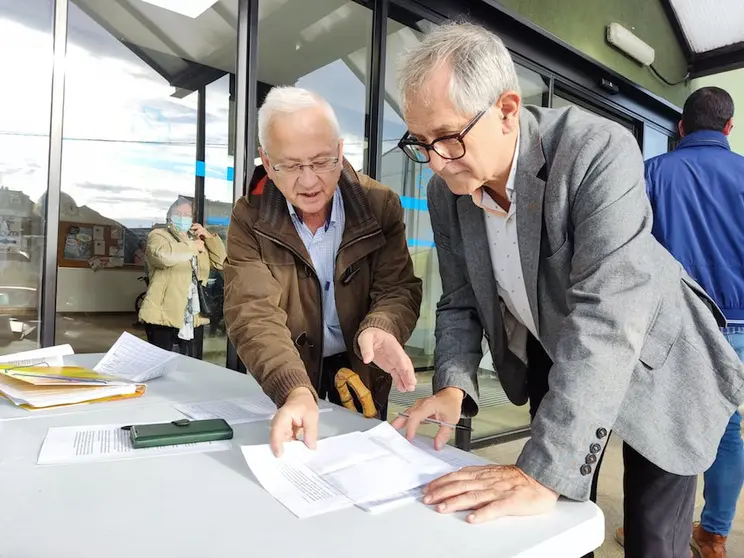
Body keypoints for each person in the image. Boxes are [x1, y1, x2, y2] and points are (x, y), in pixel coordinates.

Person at [389, 21, 744, 558]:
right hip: (560, 355)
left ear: (507, 110)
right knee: (556, 523)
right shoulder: (449, 192)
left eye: (449, 137)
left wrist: (542, 472)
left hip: (659, 361)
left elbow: (607, 316)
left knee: (651, 540)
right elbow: (460, 297)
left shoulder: (595, 149)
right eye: (422, 141)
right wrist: (454, 384)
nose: (436, 161)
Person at [223, 86, 423, 457]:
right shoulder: (249, 217)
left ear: (340, 151)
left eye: (321, 162)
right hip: (289, 364)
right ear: (267, 163)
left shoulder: (380, 205)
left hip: (362, 367)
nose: (310, 181)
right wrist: (293, 388)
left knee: (361, 464)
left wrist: (383, 325)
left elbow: (398, 288)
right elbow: (252, 312)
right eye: (292, 166)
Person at [632, 86, 743, 558]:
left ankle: (661, 535)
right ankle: (713, 534)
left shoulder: (653, 172)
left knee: (665, 430)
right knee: (728, 431)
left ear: (681, 127)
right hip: (740, 327)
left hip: (674, 328)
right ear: (729, 128)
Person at [139, 196, 226, 356]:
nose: (182, 217)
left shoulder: (198, 240)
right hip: (163, 314)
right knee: (160, 362)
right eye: (178, 213)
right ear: (169, 215)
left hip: (193, 315)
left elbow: (221, 262)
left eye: (187, 214)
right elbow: (162, 256)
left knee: (188, 366)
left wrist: (209, 237)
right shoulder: (159, 235)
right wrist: (192, 246)